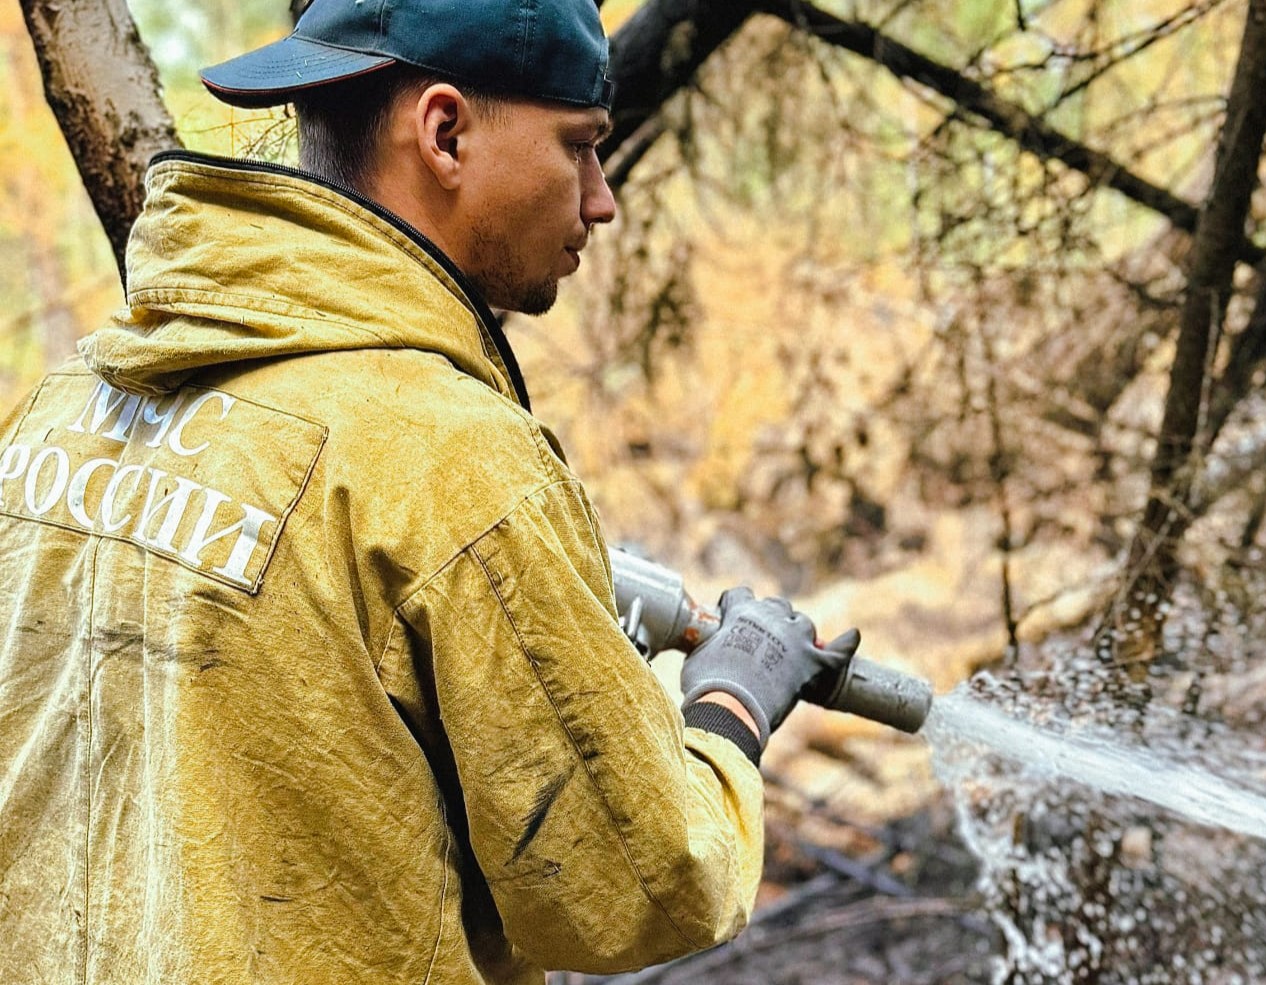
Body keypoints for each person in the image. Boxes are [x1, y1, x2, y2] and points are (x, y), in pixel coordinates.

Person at [0, 1, 856, 982]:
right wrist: (732, 704)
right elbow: (638, 891)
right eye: (579, 147)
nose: (601, 197)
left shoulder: (68, 400)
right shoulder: (453, 461)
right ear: (444, 132)